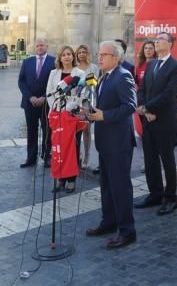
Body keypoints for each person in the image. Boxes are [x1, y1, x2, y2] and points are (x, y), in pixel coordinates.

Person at [85, 41, 137, 249]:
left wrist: (104, 115)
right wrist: (89, 114)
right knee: (106, 186)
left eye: (104, 55)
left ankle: (127, 231)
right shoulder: (102, 76)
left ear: (116, 58)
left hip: (119, 142)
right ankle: (109, 222)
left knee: (120, 187)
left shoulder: (123, 75)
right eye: (99, 54)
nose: (99, 58)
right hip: (105, 140)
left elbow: (130, 106)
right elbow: (102, 105)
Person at [135, 32, 177, 214]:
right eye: (155, 39)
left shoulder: (176, 66)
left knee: (167, 160)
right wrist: (144, 108)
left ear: (170, 44)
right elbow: (142, 89)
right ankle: (155, 194)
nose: (156, 41)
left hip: (164, 120)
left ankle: (170, 198)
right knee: (150, 160)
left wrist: (148, 108)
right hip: (148, 121)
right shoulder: (151, 64)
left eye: (161, 39)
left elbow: (169, 93)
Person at [46, 45, 85, 193]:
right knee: (58, 147)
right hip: (57, 114)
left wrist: (69, 108)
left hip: (72, 116)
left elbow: (82, 94)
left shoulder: (80, 73)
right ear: (60, 58)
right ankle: (60, 178)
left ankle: (71, 179)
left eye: (69, 54)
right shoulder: (53, 73)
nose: (67, 57)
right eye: (64, 54)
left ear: (73, 57)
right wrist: (57, 108)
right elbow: (50, 92)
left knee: (72, 147)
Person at [18, 38, 56, 168]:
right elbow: (21, 81)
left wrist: (45, 97)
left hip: (47, 103)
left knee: (47, 131)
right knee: (31, 131)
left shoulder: (54, 61)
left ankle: (47, 157)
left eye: (42, 45)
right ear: (35, 47)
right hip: (30, 103)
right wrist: (30, 97)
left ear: (47, 46)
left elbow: (56, 83)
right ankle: (31, 158)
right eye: (37, 46)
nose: (40, 48)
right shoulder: (27, 61)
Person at [75, 44, 99, 169]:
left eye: (84, 52)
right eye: (79, 52)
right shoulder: (74, 68)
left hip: (88, 102)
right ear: (77, 55)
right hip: (75, 102)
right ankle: (77, 154)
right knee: (75, 130)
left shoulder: (93, 67)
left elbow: (93, 84)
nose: (82, 54)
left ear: (87, 54)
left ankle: (87, 155)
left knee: (86, 130)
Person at [134, 39, 156, 141]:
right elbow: (136, 84)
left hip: (154, 101)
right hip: (141, 101)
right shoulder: (139, 66)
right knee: (145, 127)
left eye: (151, 48)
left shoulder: (157, 64)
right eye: (146, 48)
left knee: (154, 127)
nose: (148, 50)